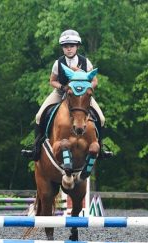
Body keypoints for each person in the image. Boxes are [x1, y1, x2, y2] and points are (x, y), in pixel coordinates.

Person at [21, 29, 112, 161]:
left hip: (81, 96)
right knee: (39, 115)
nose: (69, 49)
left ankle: (101, 148)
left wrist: (85, 90)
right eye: (66, 46)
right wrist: (63, 87)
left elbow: (95, 81)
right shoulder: (58, 63)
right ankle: (36, 148)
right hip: (61, 92)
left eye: (72, 46)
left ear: (77, 47)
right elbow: (52, 81)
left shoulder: (86, 62)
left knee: (102, 118)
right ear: (63, 48)